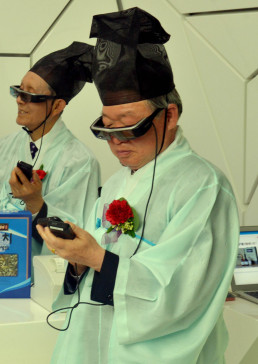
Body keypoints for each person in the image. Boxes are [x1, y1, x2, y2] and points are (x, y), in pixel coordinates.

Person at [37, 8, 238, 363]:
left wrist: (96, 257)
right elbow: (98, 262)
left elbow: (182, 290)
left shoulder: (203, 187)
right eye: (107, 130)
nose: (116, 143)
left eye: (128, 127)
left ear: (170, 115)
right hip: (93, 339)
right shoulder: (116, 182)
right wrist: (79, 262)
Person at [0, 42, 100, 257]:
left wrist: (36, 205)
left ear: (58, 106)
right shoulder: (4, 147)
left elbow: (77, 230)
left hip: (44, 274)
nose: (20, 101)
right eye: (18, 91)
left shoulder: (80, 161)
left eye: (30, 95)